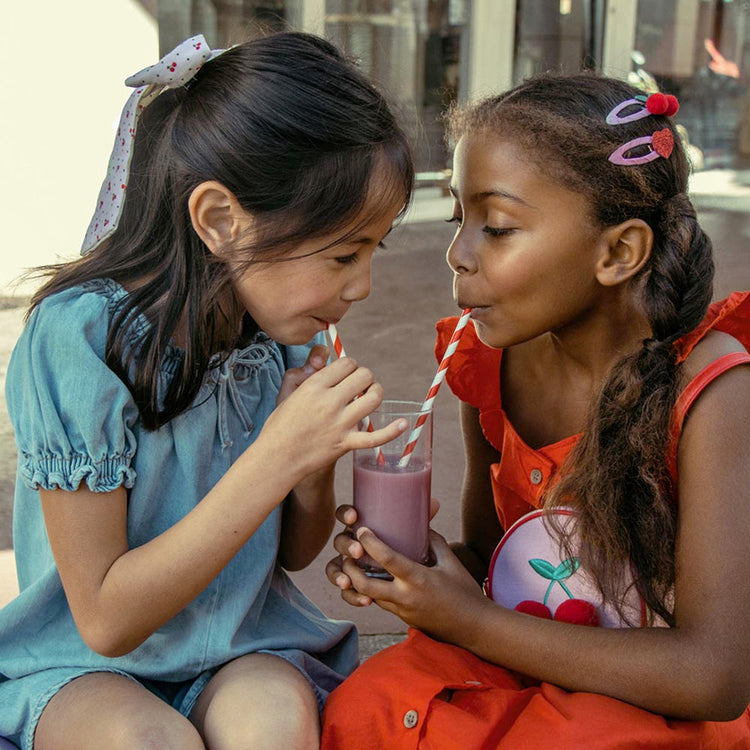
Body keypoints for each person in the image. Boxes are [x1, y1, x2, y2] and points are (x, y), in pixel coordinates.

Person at [0, 31, 413, 750]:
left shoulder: (282, 333)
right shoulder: (78, 341)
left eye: (374, 249)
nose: (363, 286)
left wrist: (314, 469)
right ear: (221, 220)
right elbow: (104, 617)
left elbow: (291, 555)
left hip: (238, 644)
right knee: (148, 742)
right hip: (84, 662)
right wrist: (278, 456)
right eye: (345, 252)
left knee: (276, 729)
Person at [321, 72, 750, 748]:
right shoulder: (494, 363)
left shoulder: (713, 394)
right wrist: (416, 572)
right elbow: (496, 561)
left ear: (617, 252)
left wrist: (468, 622)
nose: (457, 253)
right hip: (520, 663)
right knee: (365, 707)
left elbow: (715, 676)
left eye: (496, 226)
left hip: (656, 702)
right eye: (458, 216)